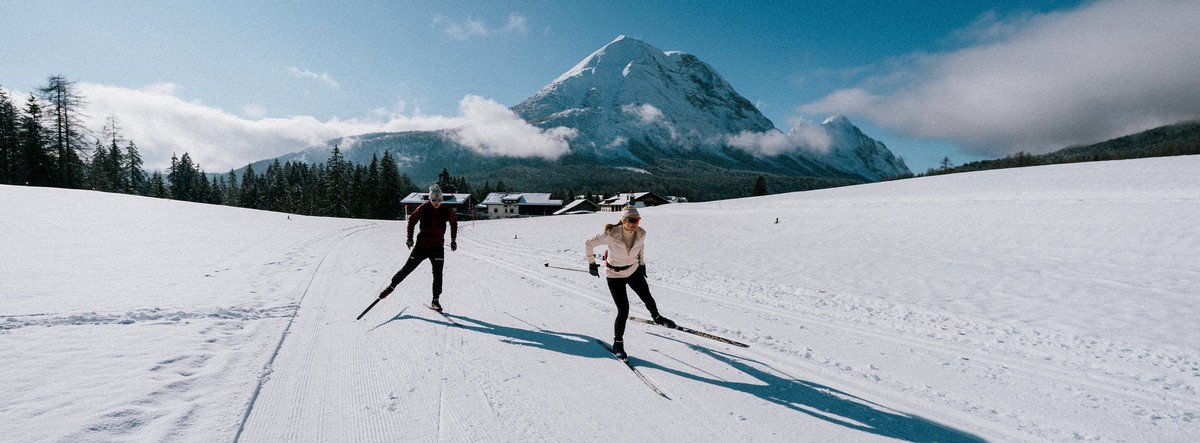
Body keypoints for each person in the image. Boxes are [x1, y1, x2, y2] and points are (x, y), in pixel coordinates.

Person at [585, 205, 674, 359]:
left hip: (633, 270)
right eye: (631, 220)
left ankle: (657, 318)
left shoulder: (641, 233)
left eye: (637, 220)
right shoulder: (611, 234)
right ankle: (618, 343)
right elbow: (589, 243)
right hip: (614, 275)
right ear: (623, 220)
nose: (635, 223)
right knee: (623, 309)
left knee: (647, 296)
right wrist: (591, 263)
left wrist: (642, 264)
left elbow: (640, 248)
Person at [379, 184, 458, 311]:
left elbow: (454, 223)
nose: (437, 203)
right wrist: (409, 238)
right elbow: (412, 221)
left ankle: (435, 300)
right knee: (407, 268)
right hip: (422, 246)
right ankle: (391, 286)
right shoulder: (423, 208)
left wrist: (453, 240)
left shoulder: (445, 209)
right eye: (434, 200)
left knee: (438, 275)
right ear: (430, 199)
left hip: (437, 247)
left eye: (439, 200)